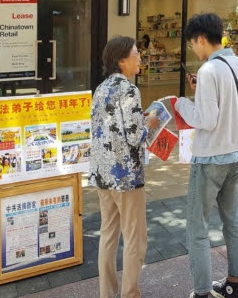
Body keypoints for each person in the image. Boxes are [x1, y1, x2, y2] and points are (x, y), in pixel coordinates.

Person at [175, 13, 238, 298]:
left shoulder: (208, 71)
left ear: (200, 39)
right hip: (234, 154)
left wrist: (181, 103)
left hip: (208, 160)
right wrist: (201, 91)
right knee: (233, 219)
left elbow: (205, 120)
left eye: (193, 44)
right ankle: (233, 284)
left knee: (197, 227)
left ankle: (202, 292)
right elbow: (232, 102)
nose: (194, 50)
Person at [89, 36, 159, 298]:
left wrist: (137, 122)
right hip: (126, 176)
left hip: (102, 173)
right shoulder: (130, 90)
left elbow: (107, 129)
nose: (140, 57)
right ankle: (130, 294)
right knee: (135, 239)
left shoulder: (101, 88)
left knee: (108, 235)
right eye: (136, 53)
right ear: (121, 60)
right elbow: (133, 136)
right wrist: (149, 124)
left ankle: (107, 293)